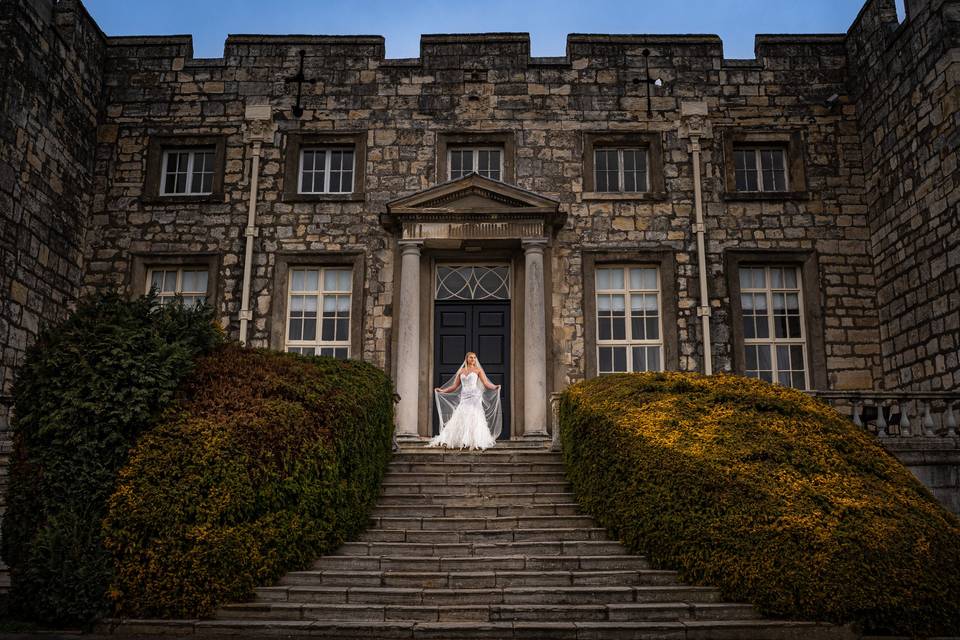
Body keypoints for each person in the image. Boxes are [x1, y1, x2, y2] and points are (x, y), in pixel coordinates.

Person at [429, 352, 502, 450]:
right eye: (471, 357)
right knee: (461, 416)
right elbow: (454, 386)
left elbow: (485, 383)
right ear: (466, 359)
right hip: (464, 397)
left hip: (474, 397)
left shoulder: (478, 370)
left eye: (474, 358)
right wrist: (443, 390)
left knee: (474, 417)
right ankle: (461, 440)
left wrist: (495, 387)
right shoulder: (461, 371)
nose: (473, 359)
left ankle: (475, 440)